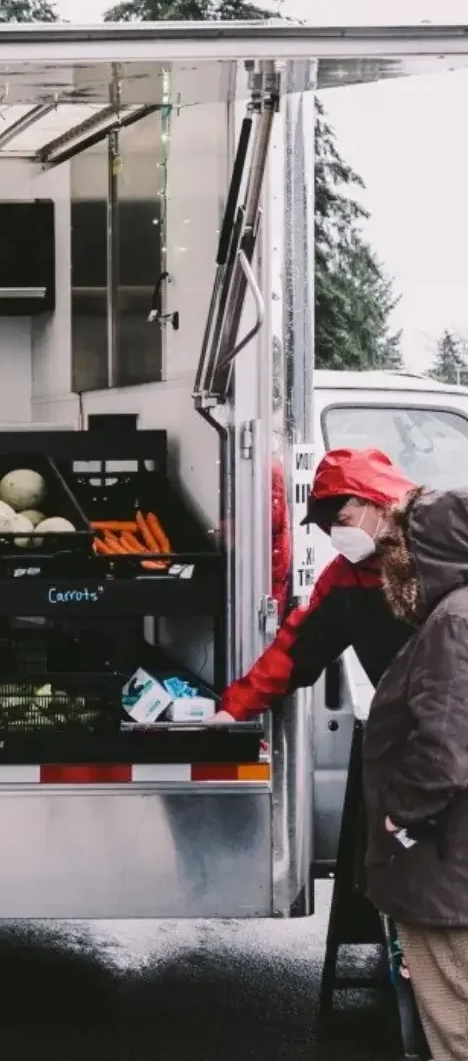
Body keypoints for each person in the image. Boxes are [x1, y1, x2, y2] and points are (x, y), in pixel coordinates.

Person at [362, 485, 468, 1058]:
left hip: (448, 871)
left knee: (455, 1028)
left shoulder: (455, 620)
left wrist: (396, 815)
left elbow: (445, 751)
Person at [206, 446, 419, 723]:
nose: (336, 534)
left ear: (377, 505)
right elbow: (296, 649)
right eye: (329, 527)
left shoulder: (439, 550)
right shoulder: (344, 577)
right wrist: (233, 710)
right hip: (406, 723)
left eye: (343, 521)